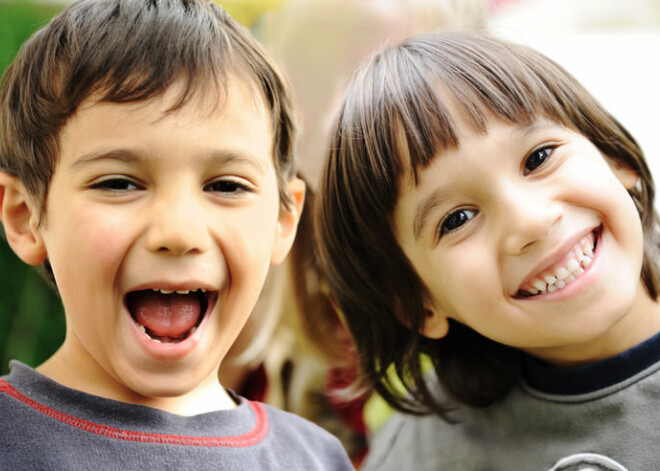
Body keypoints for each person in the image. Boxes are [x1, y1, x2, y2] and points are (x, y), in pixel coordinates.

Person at [0, 1, 353, 469]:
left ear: (283, 221)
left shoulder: (318, 459)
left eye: (226, 186)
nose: (178, 233)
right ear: (26, 216)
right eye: (119, 183)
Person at [316, 31, 660, 470]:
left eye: (539, 158)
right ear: (416, 301)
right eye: (457, 219)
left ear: (614, 157)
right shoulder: (423, 459)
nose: (530, 221)